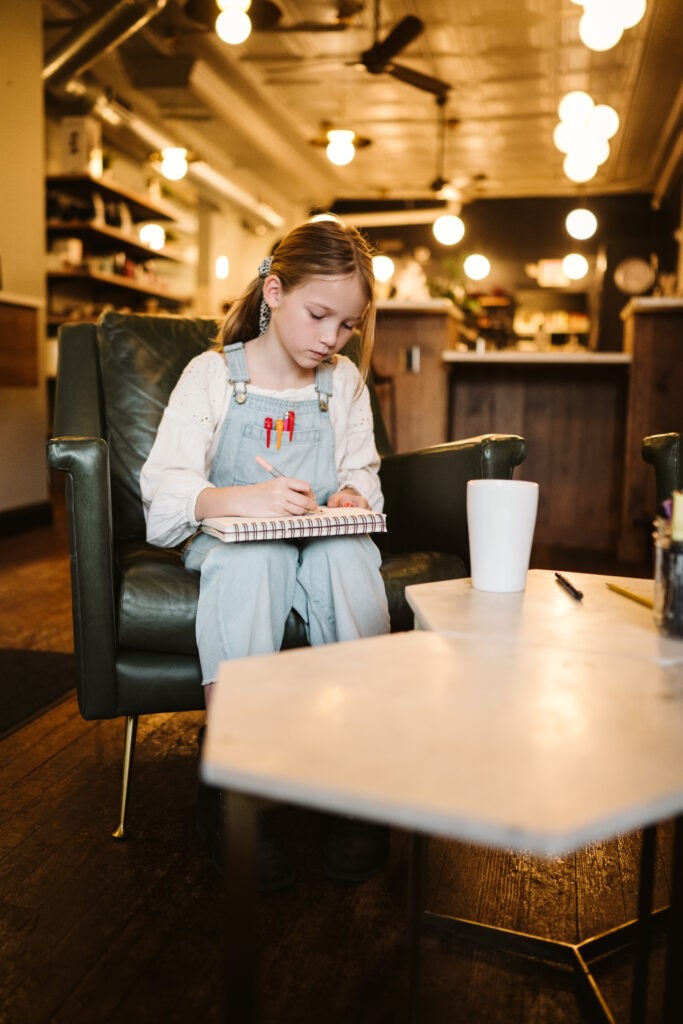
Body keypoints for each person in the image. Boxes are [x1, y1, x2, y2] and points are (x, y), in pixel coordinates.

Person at [140, 218, 391, 887]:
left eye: (346, 326)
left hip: (321, 542)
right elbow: (164, 491)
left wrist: (348, 499)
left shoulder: (342, 384)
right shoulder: (212, 376)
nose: (330, 340)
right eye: (318, 316)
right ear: (274, 291)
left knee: (349, 558)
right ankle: (233, 776)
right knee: (257, 562)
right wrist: (239, 498)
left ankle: (359, 775)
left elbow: (361, 473)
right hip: (235, 546)